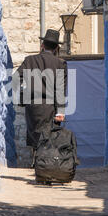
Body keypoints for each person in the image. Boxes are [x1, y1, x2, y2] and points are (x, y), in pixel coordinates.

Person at [16, 29, 68, 167]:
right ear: (56, 48)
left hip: (32, 106)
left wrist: (23, 94)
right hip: (49, 107)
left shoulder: (29, 60)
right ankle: (44, 166)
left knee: (34, 135)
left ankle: (37, 162)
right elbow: (61, 90)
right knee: (48, 137)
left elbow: (16, 78)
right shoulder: (60, 64)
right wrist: (61, 111)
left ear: (42, 45)